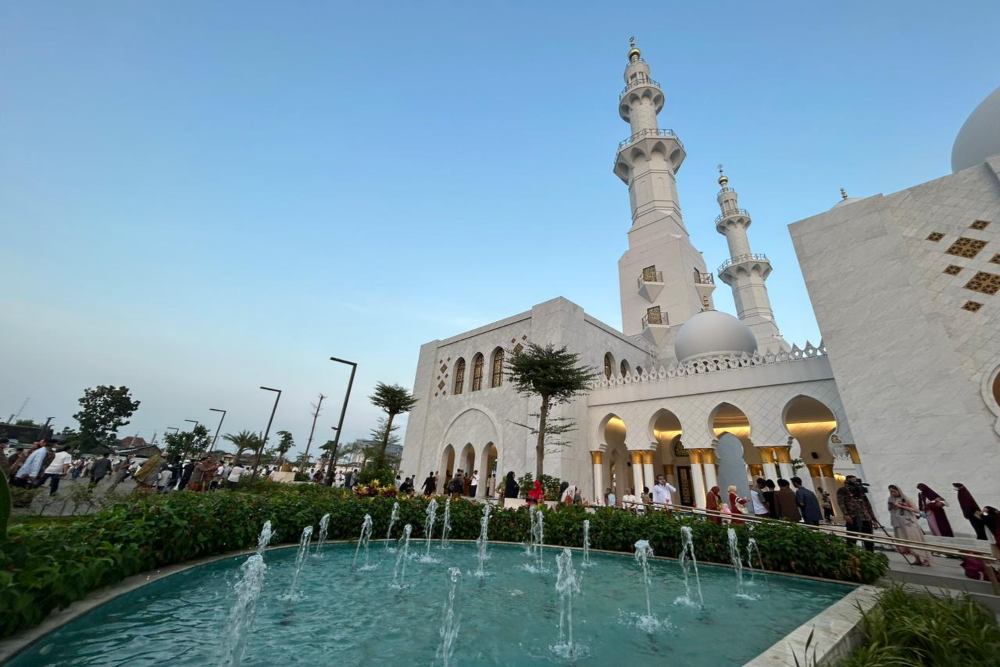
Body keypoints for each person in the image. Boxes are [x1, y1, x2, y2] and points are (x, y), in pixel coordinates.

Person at [887, 485, 932, 566]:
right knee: (905, 542)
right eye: (891, 491)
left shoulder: (906, 499)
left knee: (914, 540)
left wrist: (902, 506)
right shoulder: (890, 499)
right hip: (898, 524)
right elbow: (890, 509)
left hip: (909, 523)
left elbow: (916, 510)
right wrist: (893, 505)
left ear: (898, 491)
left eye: (894, 491)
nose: (892, 493)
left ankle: (924, 559)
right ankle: (917, 559)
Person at [837, 475, 877, 551]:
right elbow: (841, 503)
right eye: (853, 481)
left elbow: (867, 505)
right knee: (852, 539)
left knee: (869, 540)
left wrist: (873, 518)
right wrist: (845, 514)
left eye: (856, 480)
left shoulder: (860, 490)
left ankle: (870, 555)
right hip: (853, 517)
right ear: (848, 481)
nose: (856, 482)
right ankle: (851, 557)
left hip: (865, 517)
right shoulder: (842, 490)